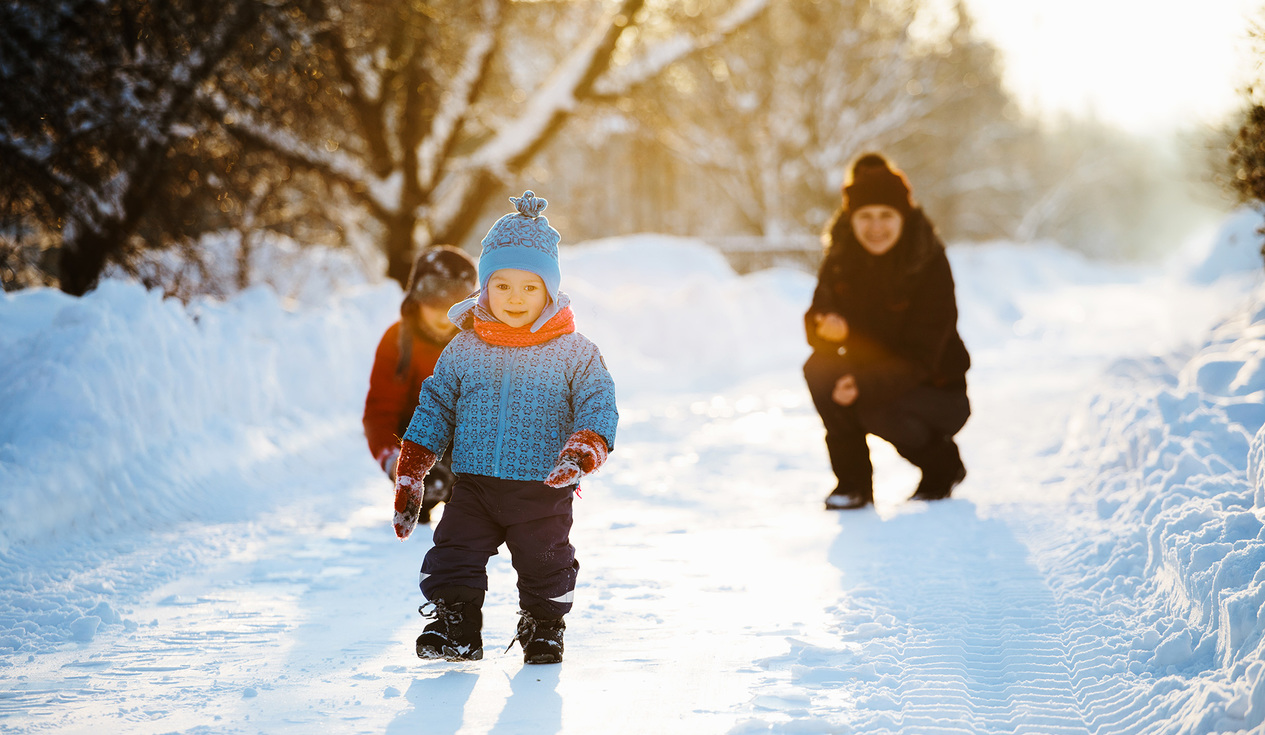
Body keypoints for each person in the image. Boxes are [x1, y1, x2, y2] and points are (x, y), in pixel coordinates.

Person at [391, 191, 619, 665]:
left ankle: (544, 626)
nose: (515, 299)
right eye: (503, 286)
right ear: (484, 288)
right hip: (472, 485)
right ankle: (456, 627)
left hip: (541, 488)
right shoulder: (464, 348)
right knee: (453, 551)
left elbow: (599, 404)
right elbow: (435, 406)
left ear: (550, 292)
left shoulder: (574, 352)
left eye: (530, 288)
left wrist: (582, 450)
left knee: (545, 561)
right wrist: (413, 465)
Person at [803, 153, 971, 511]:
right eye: (865, 216)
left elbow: (923, 357)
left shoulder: (928, 261)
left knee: (874, 407)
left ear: (903, 216)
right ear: (852, 218)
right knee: (818, 368)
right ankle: (853, 484)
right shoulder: (841, 255)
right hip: (872, 375)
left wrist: (862, 385)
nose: (875, 227)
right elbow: (816, 316)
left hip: (937, 392)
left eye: (885, 216)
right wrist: (825, 327)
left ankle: (943, 466)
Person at [363, 245, 477, 524]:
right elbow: (381, 412)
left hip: (468, 446)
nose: (441, 315)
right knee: (421, 499)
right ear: (416, 298)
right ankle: (421, 491)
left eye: (451, 306)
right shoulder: (398, 341)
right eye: (432, 304)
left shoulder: (479, 343)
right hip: (414, 441)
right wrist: (397, 464)